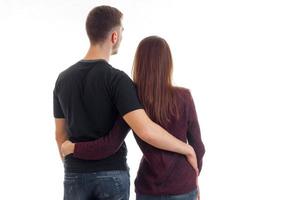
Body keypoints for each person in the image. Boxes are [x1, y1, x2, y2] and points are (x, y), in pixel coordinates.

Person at [53, 5, 198, 200]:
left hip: (74, 173)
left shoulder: (63, 79)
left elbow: (60, 136)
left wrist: (74, 163)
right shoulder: (118, 81)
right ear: (114, 36)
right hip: (112, 174)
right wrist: (187, 148)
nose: (121, 37)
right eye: (121, 31)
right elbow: (145, 130)